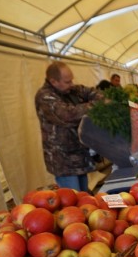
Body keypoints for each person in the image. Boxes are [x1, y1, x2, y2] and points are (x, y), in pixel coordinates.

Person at [35, 61, 104, 192]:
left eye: (71, 80)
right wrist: (96, 105)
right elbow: (68, 115)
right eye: (67, 82)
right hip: (63, 161)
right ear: (54, 81)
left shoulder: (71, 90)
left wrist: (99, 100)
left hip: (79, 156)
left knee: (84, 197)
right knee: (73, 199)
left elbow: (95, 93)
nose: (71, 84)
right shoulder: (45, 97)